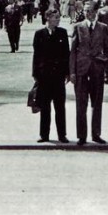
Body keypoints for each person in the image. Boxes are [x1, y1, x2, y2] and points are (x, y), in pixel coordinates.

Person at [69, 0, 108, 145]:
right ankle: (82, 136)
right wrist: (72, 72)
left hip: (97, 70)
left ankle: (96, 134)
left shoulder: (103, 28)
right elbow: (73, 51)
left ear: (97, 12)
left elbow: (107, 49)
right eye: (87, 11)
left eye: (92, 11)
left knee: (97, 103)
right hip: (81, 70)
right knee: (81, 104)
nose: (89, 14)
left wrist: (104, 64)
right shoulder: (78, 27)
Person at [32, 9, 70, 143]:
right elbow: (36, 56)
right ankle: (44, 135)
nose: (58, 20)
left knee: (60, 107)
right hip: (44, 76)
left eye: (58, 17)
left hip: (59, 76)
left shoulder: (62, 33)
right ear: (47, 18)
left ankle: (62, 135)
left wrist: (67, 73)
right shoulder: (39, 34)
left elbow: (67, 54)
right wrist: (35, 74)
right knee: (45, 107)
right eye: (55, 17)